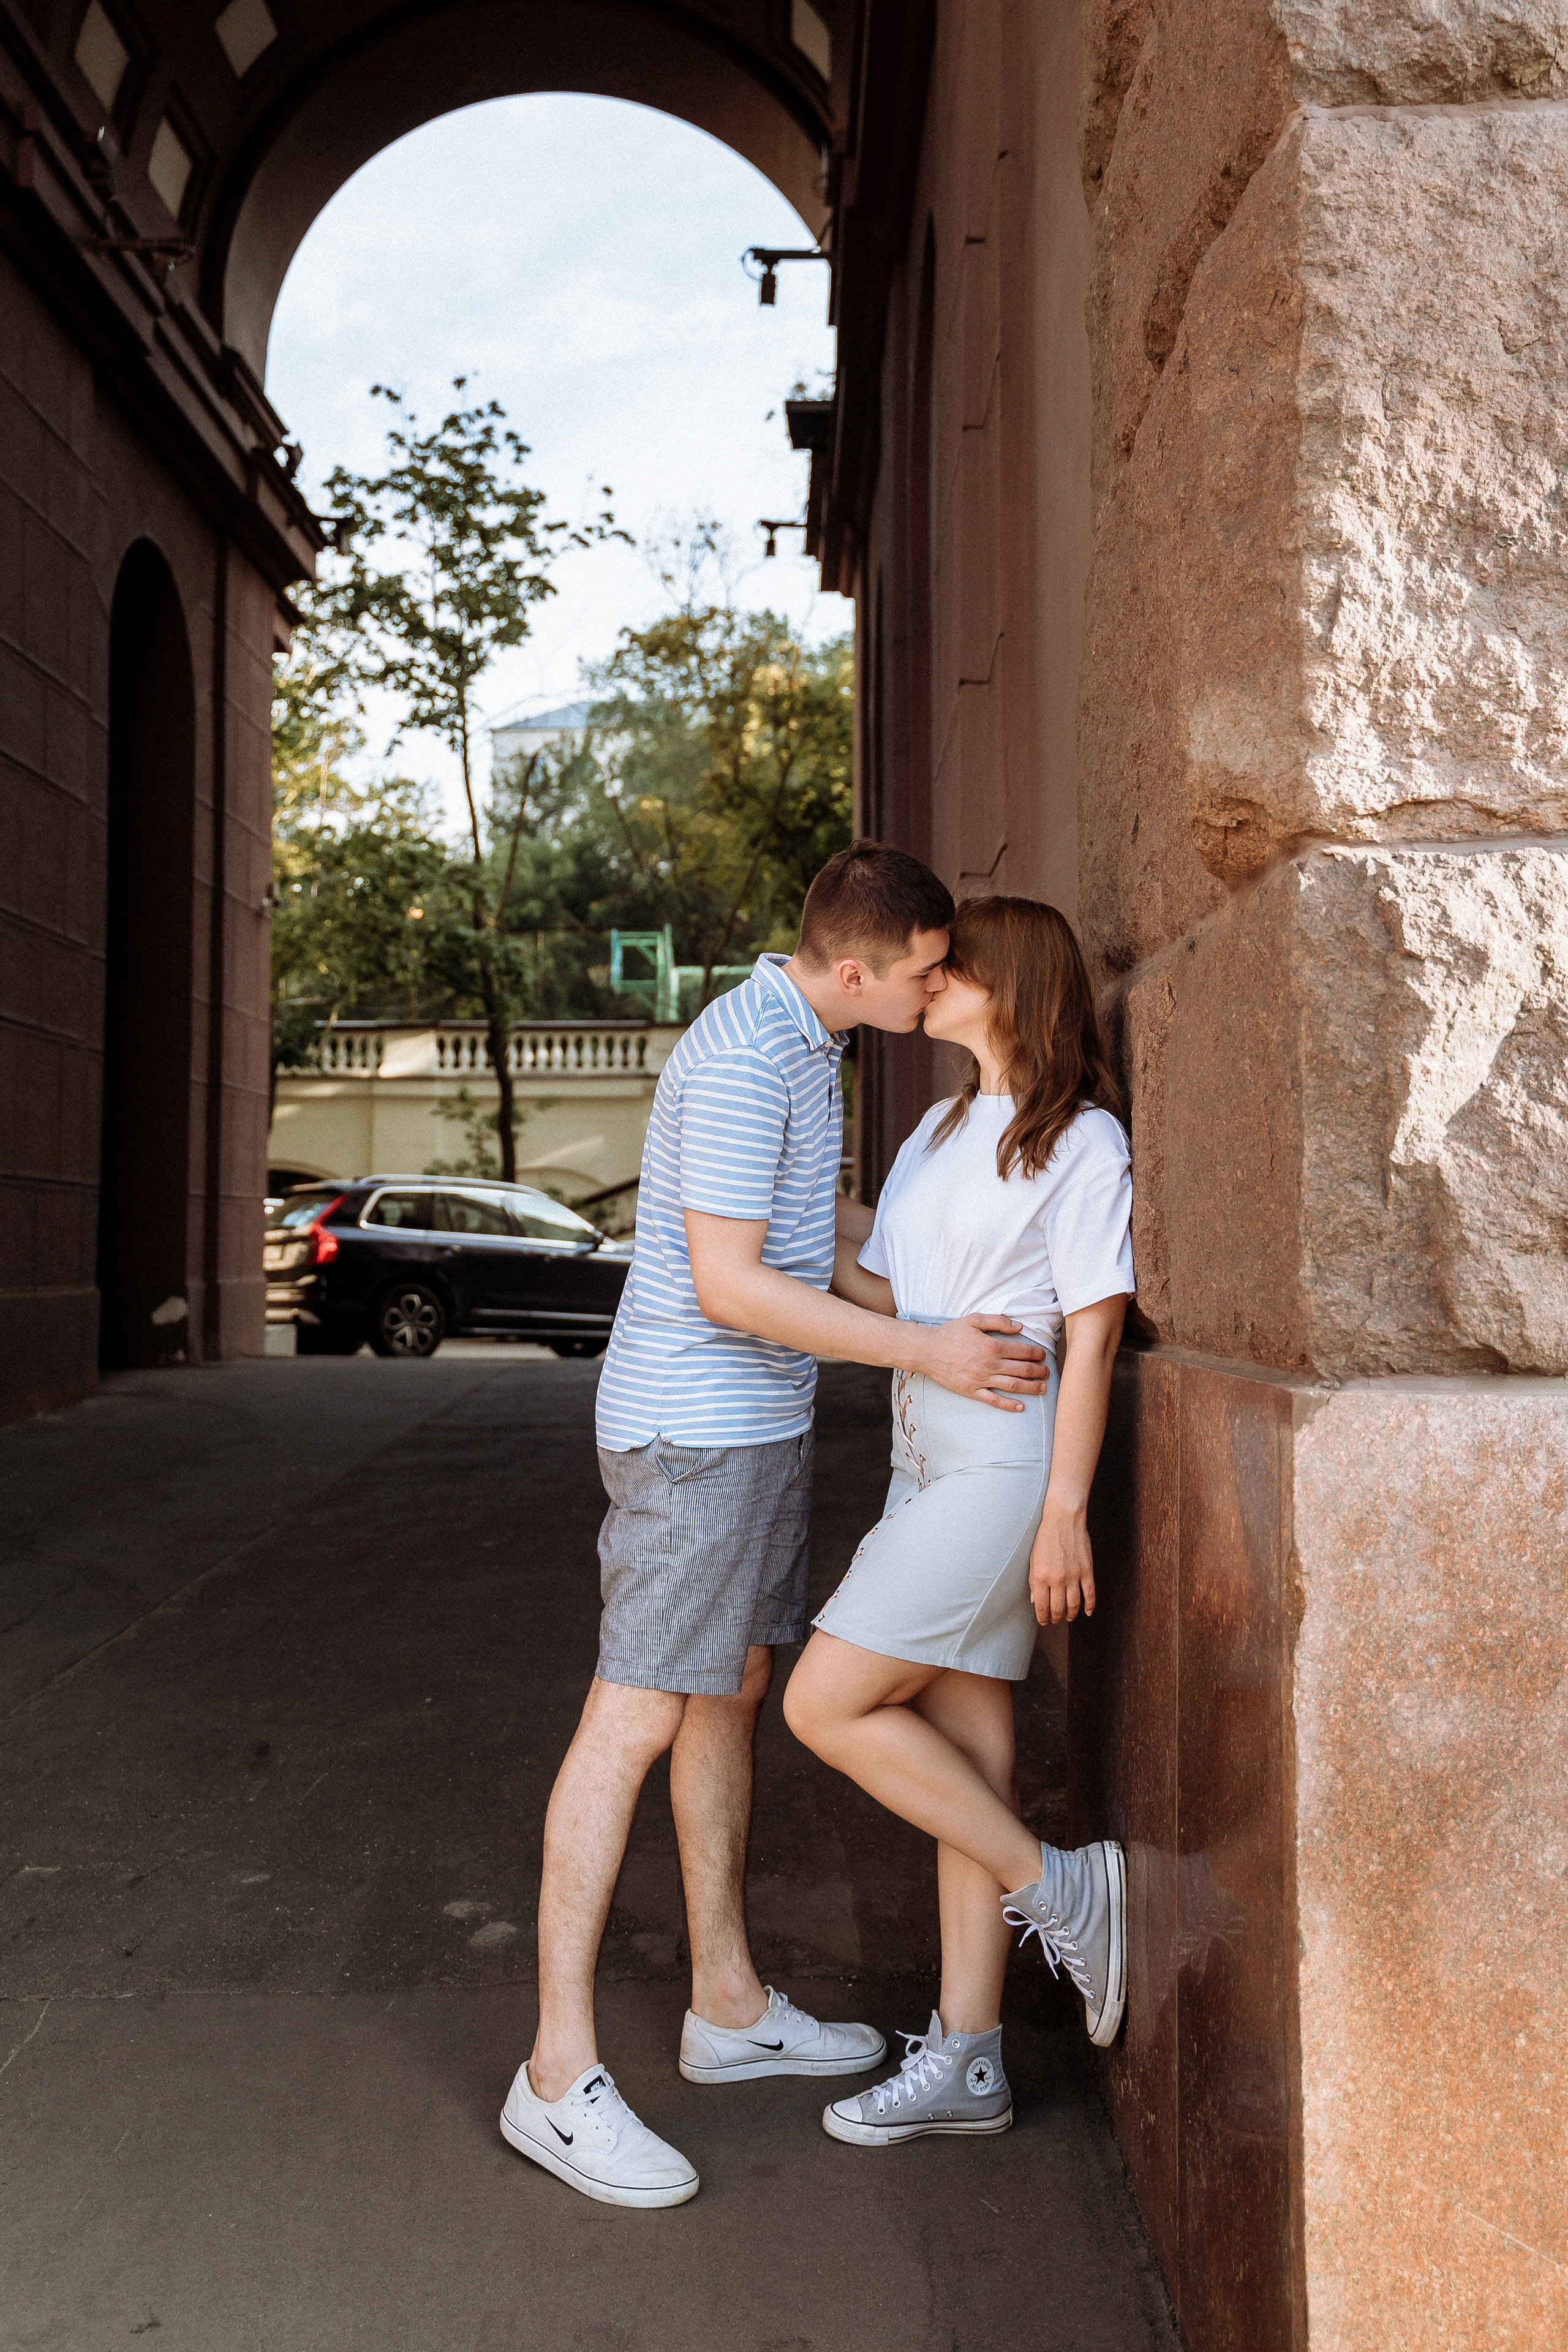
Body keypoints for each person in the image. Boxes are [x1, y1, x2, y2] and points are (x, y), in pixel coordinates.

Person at [500, 844, 1054, 2209]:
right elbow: (733, 1285)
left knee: (726, 1696)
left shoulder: (813, 1044)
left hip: (752, 1433)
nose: (940, 985)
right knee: (630, 1714)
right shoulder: (752, 1057)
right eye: (925, 968)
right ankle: (554, 2078)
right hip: (692, 1438)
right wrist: (919, 1348)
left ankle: (725, 2006)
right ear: (856, 970)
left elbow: (819, 1232)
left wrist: (980, 1266)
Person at [782, 894, 1133, 2149]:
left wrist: (1063, 1517)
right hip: (917, 1456)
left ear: (1012, 980)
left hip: (1001, 1468)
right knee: (964, 1760)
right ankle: (968, 2054)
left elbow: (1087, 1343)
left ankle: (1064, 1889)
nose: (924, 979)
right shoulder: (935, 1129)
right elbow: (889, 1294)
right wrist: (775, 1206)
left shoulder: (1078, 1142)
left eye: (950, 964)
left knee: (821, 1703)